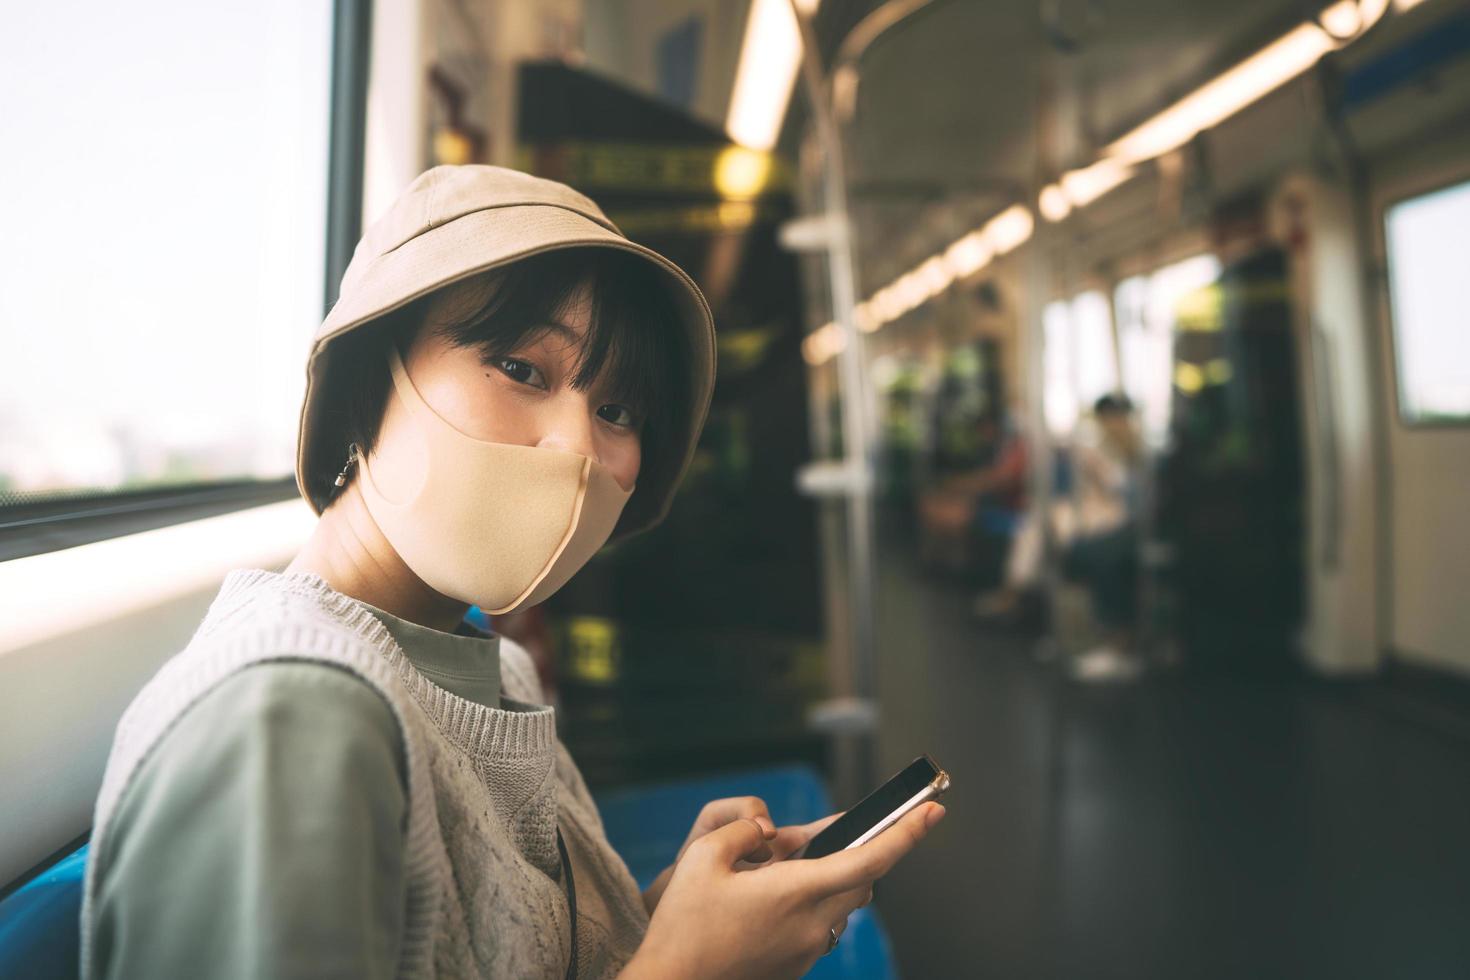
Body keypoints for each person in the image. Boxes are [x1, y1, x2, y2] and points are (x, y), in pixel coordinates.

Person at [80, 166, 943, 979]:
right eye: (522, 369)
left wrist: (663, 918)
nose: (577, 449)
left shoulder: (491, 667)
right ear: (366, 382)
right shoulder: (285, 721)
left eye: (616, 410)